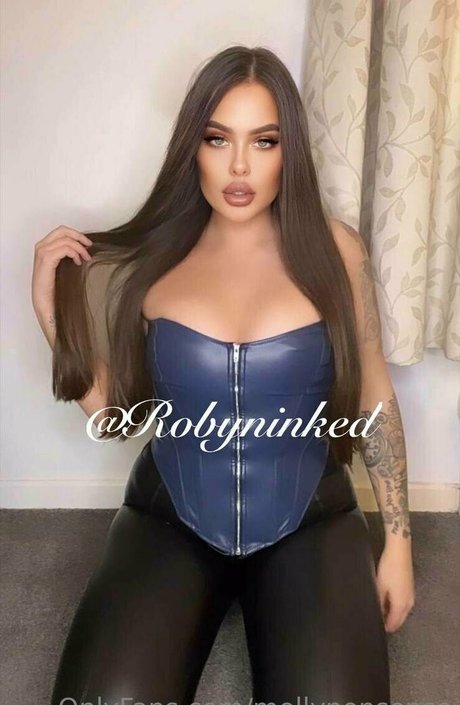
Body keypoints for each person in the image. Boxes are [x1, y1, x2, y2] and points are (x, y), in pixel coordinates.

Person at [32, 45, 415, 704]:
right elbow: (116, 418)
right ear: (194, 147)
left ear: (289, 151)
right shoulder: (154, 261)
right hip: (169, 516)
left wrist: (399, 545)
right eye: (218, 139)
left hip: (310, 518)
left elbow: (374, 395)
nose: (240, 166)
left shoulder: (337, 252)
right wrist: (49, 311)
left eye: (264, 141)